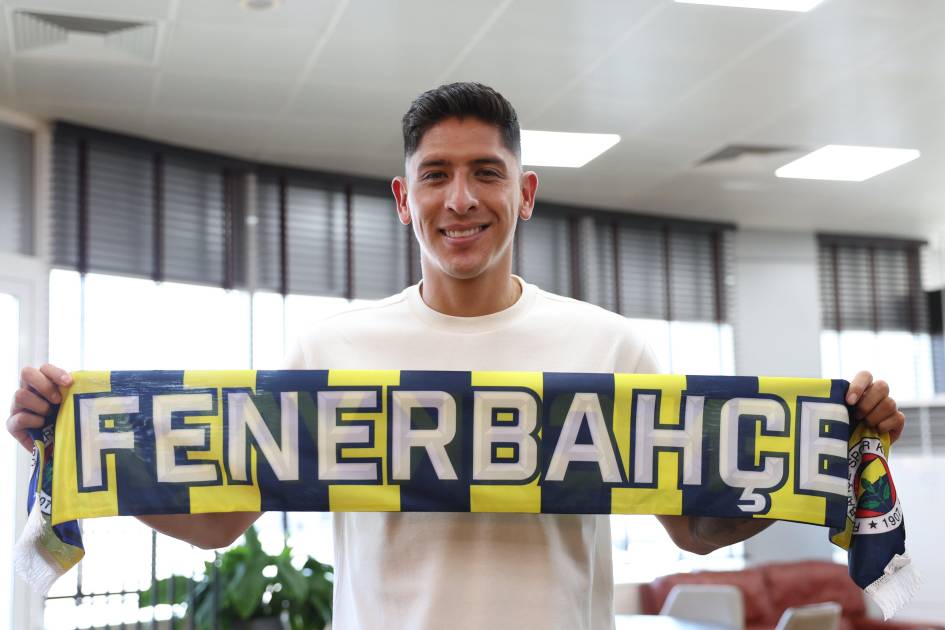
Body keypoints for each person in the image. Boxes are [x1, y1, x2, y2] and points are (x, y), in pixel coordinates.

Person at [8, 83, 906, 630]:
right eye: (435, 174)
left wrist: (822, 454)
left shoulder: (608, 346)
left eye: (486, 172)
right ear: (404, 199)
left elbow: (690, 528)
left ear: (526, 194)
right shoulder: (330, 349)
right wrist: (88, 452)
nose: (461, 199)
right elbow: (223, 520)